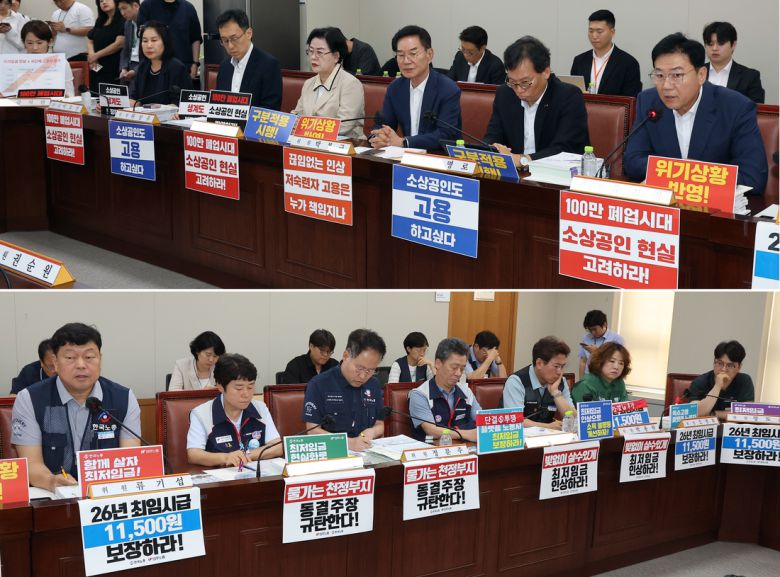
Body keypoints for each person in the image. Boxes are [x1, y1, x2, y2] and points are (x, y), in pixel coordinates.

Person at [623, 33, 768, 195]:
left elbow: (753, 177)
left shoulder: (736, 107)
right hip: (665, 205)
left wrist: (686, 175)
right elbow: (632, 161)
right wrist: (682, 173)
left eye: (677, 75)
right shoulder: (649, 101)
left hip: (713, 207)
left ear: (701, 75)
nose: (666, 86)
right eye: (659, 76)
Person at [11, 323, 141, 491]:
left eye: (89, 357)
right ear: (55, 362)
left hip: (107, 494)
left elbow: (130, 458)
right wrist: (51, 481)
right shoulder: (30, 399)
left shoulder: (123, 398)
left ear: (100, 359)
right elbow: (31, 464)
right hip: (52, 496)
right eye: (70, 358)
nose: (81, 365)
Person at [485, 36, 589, 166]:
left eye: (525, 82)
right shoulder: (505, 94)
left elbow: (564, 149)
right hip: (514, 173)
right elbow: (493, 135)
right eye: (512, 82)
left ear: (546, 72)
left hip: (554, 174)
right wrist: (493, 148)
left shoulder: (568, 97)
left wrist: (522, 160)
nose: (519, 90)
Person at [370, 25, 461, 151]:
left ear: (429, 55)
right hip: (404, 156)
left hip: (438, 157)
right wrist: (378, 137)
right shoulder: (395, 88)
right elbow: (383, 124)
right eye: (400, 55)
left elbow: (445, 134)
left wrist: (405, 142)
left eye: (413, 54)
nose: (406, 61)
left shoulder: (448, 89)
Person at [187, 354, 282, 468]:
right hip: (219, 475)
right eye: (239, 388)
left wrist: (246, 455)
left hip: (254, 474)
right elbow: (193, 454)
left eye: (250, 387)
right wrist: (226, 458)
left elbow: (277, 447)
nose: (246, 394)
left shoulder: (260, 408)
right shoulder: (201, 413)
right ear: (220, 386)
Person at [302, 328, 386, 451]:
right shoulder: (319, 384)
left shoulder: (373, 384)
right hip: (332, 453)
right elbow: (312, 431)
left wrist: (372, 432)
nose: (363, 376)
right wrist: (349, 443)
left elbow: (379, 424)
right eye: (360, 368)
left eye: (371, 370)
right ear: (346, 356)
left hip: (367, 452)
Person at [292, 27, 365, 139]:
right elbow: (297, 115)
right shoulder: (308, 83)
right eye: (311, 51)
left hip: (346, 144)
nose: (313, 57)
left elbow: (344, 126)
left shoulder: (350, 84)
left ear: (336, 56)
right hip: (310, 141)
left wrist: (307, 128)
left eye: (319, 52)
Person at [408, 338, 481, 442]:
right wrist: (466, 434)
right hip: (432, 450)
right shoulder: (420, 394)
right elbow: (432, 431)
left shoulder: (466, 391)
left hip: (465, 449)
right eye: (454, 367)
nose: (458, 373)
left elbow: (482, 422)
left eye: (462, 369)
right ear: (438, 363)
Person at [501, 336, 575, 429]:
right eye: (556, 366)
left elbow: (574, 418)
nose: (560, 372)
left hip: (548, 437)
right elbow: (514, 421)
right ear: (539, 363)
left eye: (562, 366)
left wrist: (556, 394)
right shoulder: (516, 381)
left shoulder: (560, 382)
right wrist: (548, 427)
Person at [215, 9, 281, 110]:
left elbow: (270, 109)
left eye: (234, 38)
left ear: (249, 33)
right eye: (225, 41)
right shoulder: (224, 67)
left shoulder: (269, 65)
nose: (230, 46)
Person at [569, 9, 642, 97]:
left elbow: (630, 100)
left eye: (599, 31)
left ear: (612, 32)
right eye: (591, 31)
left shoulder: (628, 63)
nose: (594, 36)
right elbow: (572, 93)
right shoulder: (579, 61)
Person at [137, 0, 201, 87]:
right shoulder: (147, 5)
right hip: (153, 68)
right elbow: (142, 34)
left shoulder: (188, 8)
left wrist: (195, 63)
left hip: (183, 65)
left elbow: (195, 38)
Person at [130, 20, 191, 105]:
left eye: (154, 40)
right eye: (145, 41)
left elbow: (180, 103)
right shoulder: (142, 67)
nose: (149, 45)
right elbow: (134, 98)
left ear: (165, 42)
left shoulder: (176, 68)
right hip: (144, 113)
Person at [689, 340, 754, 418]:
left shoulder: (745, 381)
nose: (723, 369)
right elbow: (695, 413)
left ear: (739, 367)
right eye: (720, 363)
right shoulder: (699, 382)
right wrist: (717, 386)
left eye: (730, 365)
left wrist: (714, 414)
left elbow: (747, 414)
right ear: (714, 363)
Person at [703, 22, 764, 104]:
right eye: (710, 44)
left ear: (733, 45)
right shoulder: (695, 72)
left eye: (720, 43)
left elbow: (755, 108)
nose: (714, 48)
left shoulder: (750, 77)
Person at [21, 19, 75, 97]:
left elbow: (70, 94)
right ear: (23, 43)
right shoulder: (15, 63)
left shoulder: (61, 63)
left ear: (50, 42)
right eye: (30, 43)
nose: (35, 47)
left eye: (39, 43)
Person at [86, 0, 125, 93]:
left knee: (109, 96)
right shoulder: (100, 20)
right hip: (97, 66)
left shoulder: (122, 20)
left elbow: (119, 44)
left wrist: (96, 55)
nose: (104, 2)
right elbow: (90, 40)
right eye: (101, 1)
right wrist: (92, 56)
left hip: (113, 67)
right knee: (95, 94)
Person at [578, 309, 624, 378]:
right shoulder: (586, 338)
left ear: (604, 324)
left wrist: (597, 352)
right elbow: (583, 362)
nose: (592, 332)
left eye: (595, 329)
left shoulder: (617, 339)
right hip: (589, 378)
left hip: (607, 379)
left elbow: (618, 363)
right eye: (590, 330)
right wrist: (581, 381)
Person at [116, 0, 141, 83]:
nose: (122, 13)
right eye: (120, 10)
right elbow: (125, 48)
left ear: (135, 6)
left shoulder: (148, 23)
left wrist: (135, 70)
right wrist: (123, 68)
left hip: (143, 65)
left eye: (124, 8)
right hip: (130, 64)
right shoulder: (128, 23)